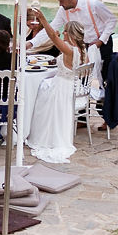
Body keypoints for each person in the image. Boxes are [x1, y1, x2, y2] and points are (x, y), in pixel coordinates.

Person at [25, 13, 87, 164]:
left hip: (61, 88)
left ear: (71, 34)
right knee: (43, 87)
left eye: (65, 31)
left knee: (38, 94)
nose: (63, 33)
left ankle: (36, 133)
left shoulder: (69, 50)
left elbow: (52, 36)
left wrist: (43, 20)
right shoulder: (82, 49)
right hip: (71, 86)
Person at [29, 0, 117, 79]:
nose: (60, 4)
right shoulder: (63, 10)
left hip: (102, 44)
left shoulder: (94, 4)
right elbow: (52, 28)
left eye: (61, 1)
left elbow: (111, 20)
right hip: (81, 48)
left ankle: (105, 92)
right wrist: (31, 43)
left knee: (106, 75)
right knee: (81, 77)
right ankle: (82, 92)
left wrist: (101, 41)